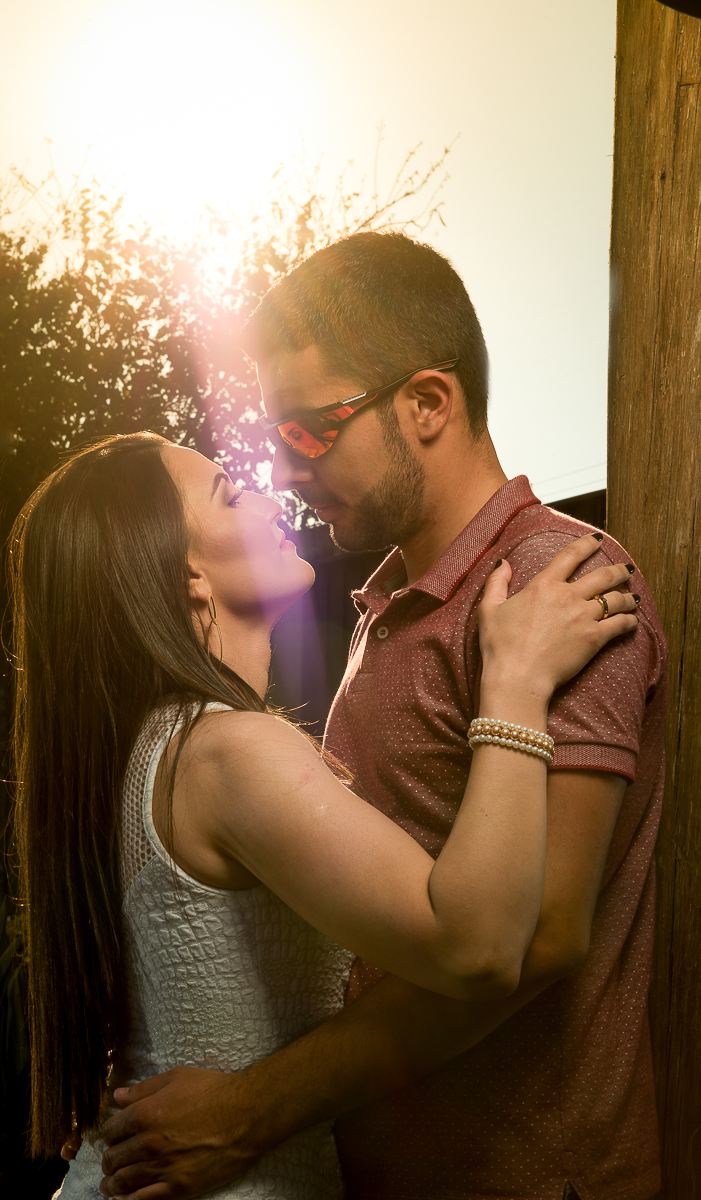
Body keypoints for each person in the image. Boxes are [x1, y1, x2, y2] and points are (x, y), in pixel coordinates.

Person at [95, 233, 668, 1200]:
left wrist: (253, 1110)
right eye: (271, 444)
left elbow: (536, 944)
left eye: (311, 431)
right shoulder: (378, 608)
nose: (286, 472)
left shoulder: (554, 583)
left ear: (429, 405)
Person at [9, 429, 637, 1200]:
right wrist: (512, 684)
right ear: (187, 574)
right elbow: (478, 947)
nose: (268, 498)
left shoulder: (151, 749)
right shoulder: (229, 752)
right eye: (229, 496)